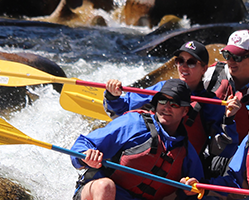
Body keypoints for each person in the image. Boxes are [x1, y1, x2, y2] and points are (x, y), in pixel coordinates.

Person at [70, 80, 205, 200]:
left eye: (174, 104)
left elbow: (196, 199)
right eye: (163, 101)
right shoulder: (133, 123)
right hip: (97, 195)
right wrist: (85, 155)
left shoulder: (187, 153)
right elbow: (83, 143)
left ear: (185, 111)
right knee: (105, 186)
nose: (166, 107)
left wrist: (189, 190)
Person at [102, 40, 240, 161]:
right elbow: (121, 110)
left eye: (191, 62)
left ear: (204, 68)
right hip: (146, 156)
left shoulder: (211, 103)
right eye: (180, 61)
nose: (183, 66)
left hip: (182, 168)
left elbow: (224, 151)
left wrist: (228, 119)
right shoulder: (162, 88)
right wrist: (113, 96)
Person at [204, 29, 249, 141]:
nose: (231, 61)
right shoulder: (211, 75)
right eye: (227, 55)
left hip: (244, 146)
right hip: (209, 142)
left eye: (237, 57)